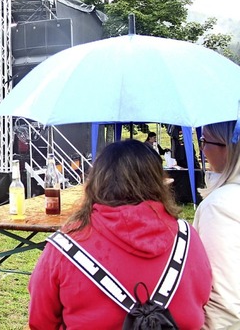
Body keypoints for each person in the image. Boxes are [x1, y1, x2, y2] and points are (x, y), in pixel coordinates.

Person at [28, 139, 212, 329]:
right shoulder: (187, 238)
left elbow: (40, 321)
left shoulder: (65, 246)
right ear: (159, 181)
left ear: (95, 182)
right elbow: (203, 299)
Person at [193, 120, 240, 328]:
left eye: (204, 141)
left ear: (227, 148)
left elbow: (224, 301)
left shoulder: (221, 205)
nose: (202, 149)